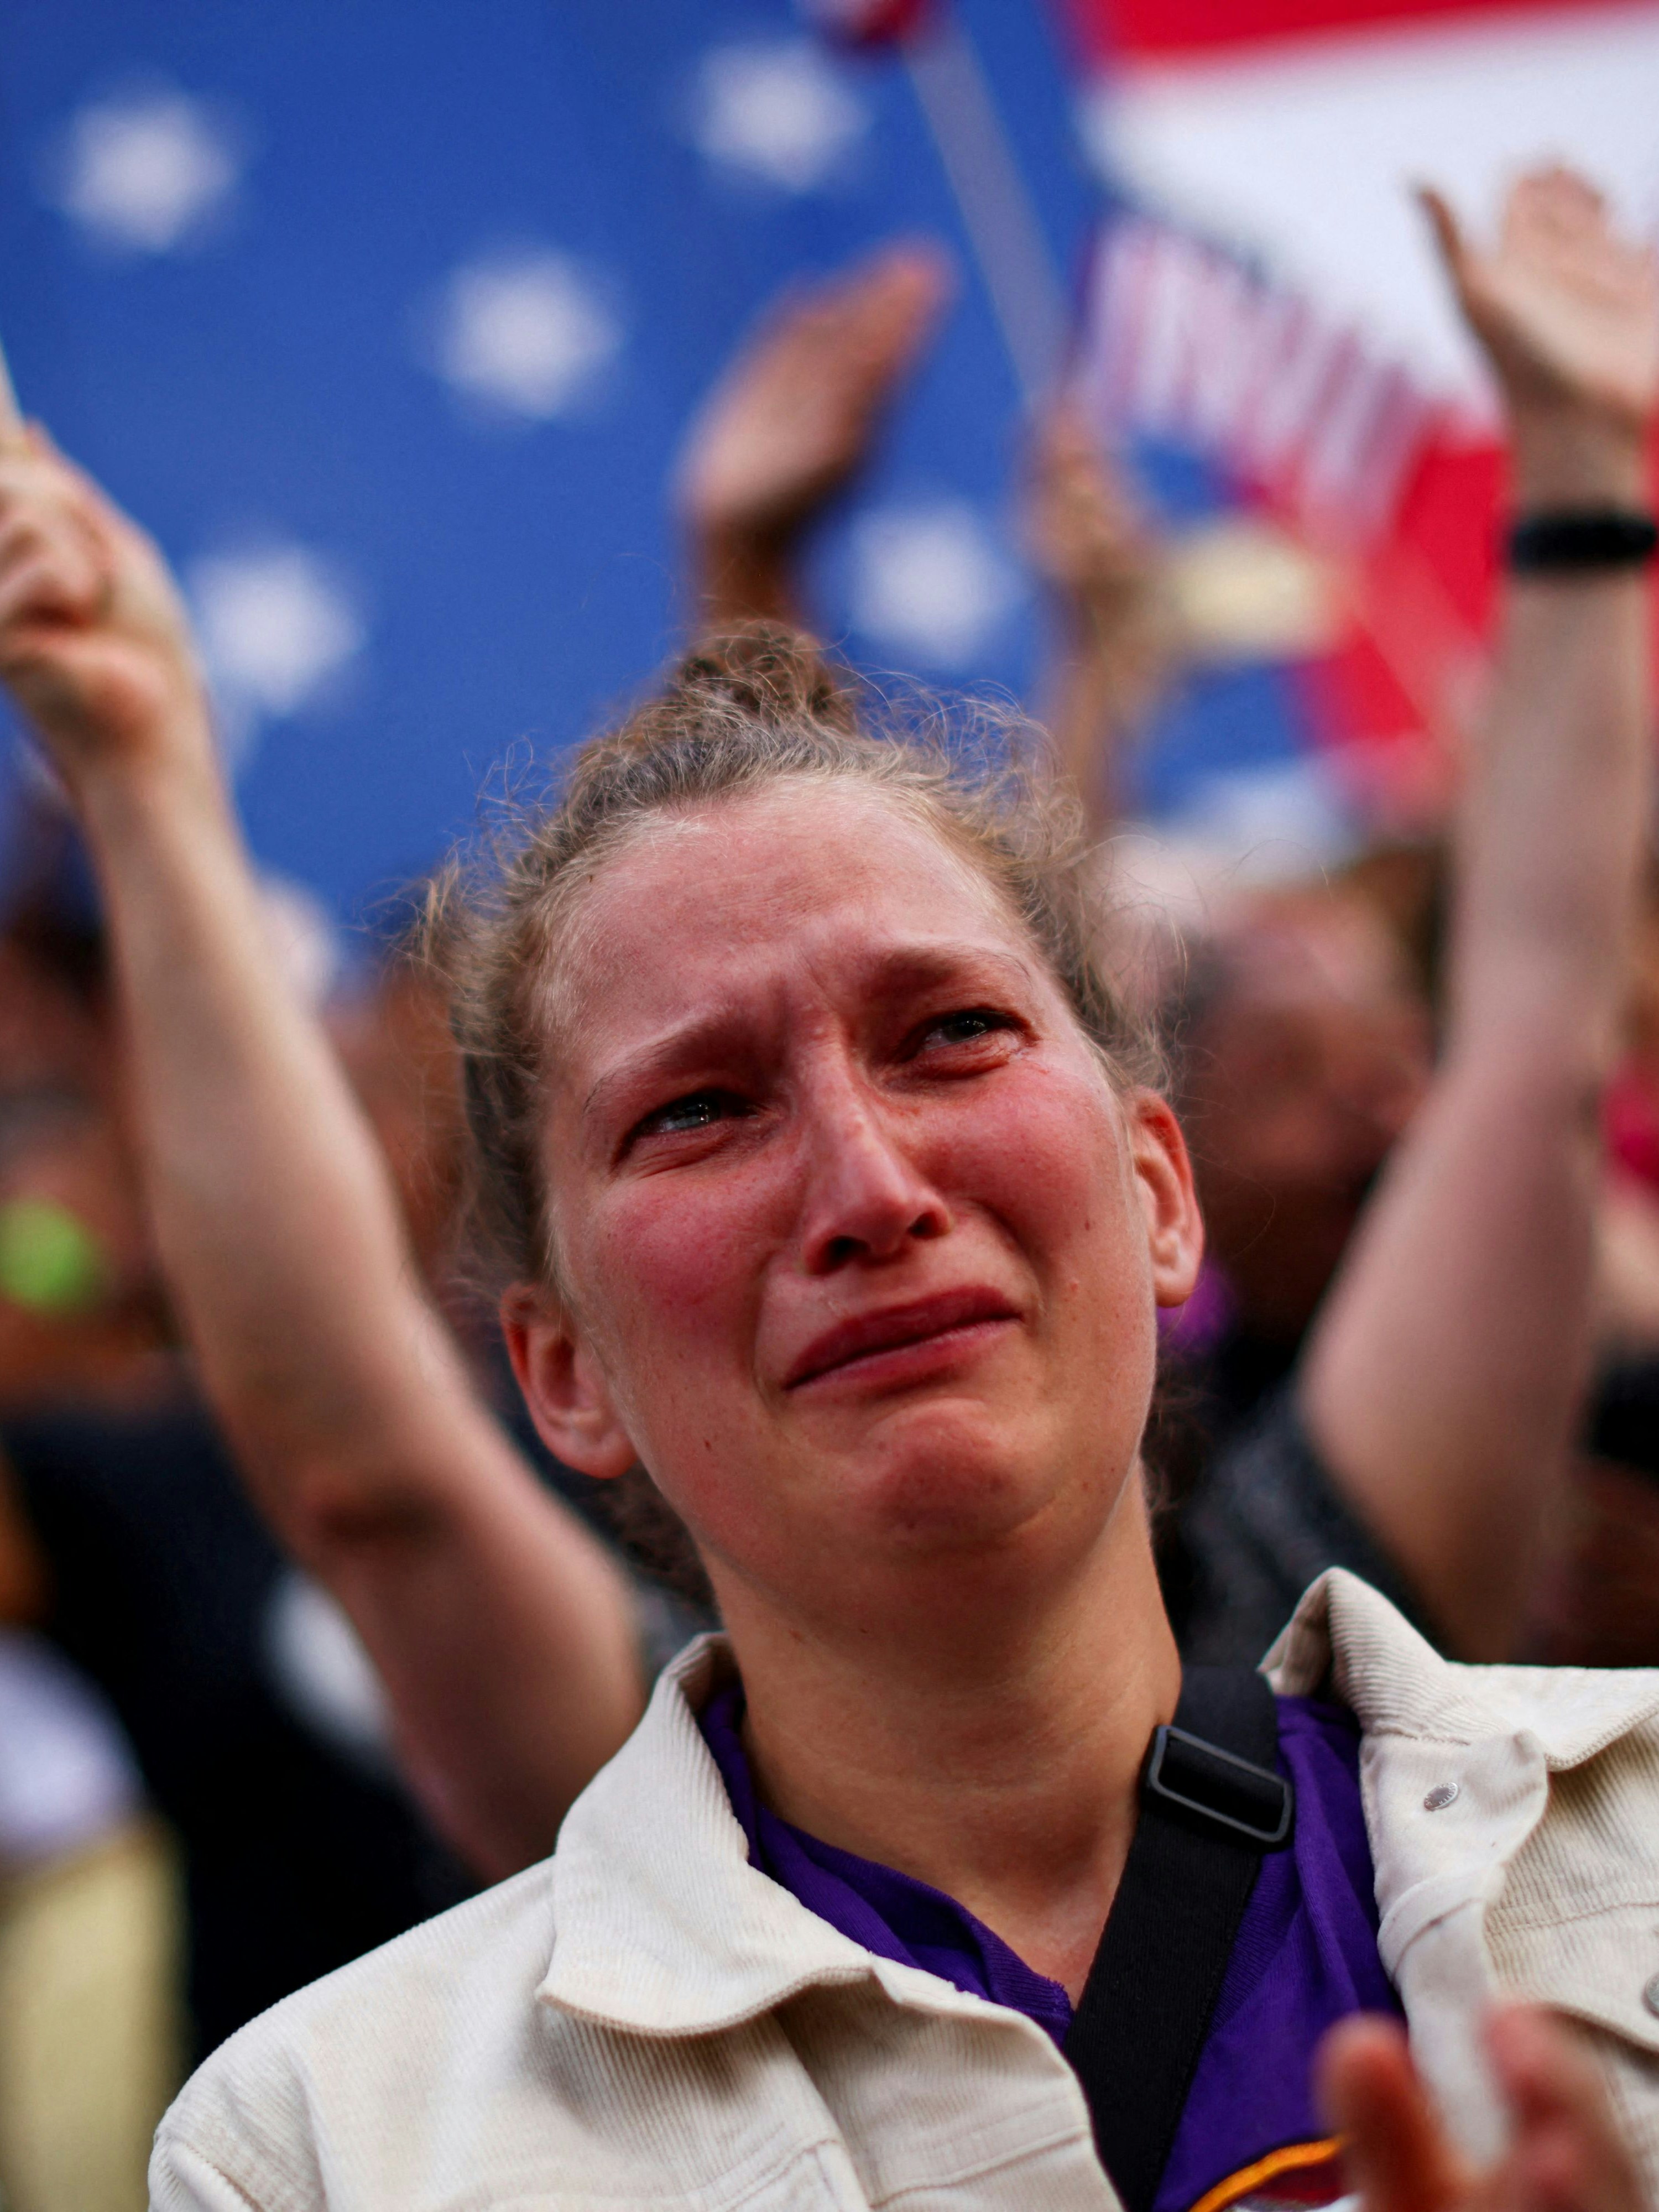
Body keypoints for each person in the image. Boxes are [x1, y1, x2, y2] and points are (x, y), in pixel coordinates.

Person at [133, 625, 1659, 2212]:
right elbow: (368, 1473)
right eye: (700, 1112)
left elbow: (1537, 1051)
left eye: (950, 1034)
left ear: (1156, 1193)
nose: (870, 1187)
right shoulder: (329, 2148)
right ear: (564, 1372)